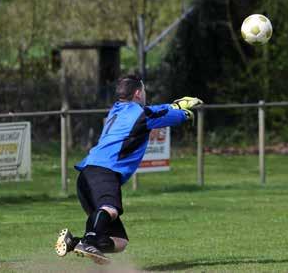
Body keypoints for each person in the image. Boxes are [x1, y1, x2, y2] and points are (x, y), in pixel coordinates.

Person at [55, 75, 203, 264]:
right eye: (144, 91)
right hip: (103, 172)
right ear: (138, 93)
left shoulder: (118, 109)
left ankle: (74, 242)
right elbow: (163, 117)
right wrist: (183, 114)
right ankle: (89, 240)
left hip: (86, 176)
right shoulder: (140, 114)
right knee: (110, 208)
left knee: (120, 242)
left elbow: (152, 111)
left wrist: (174, 105)